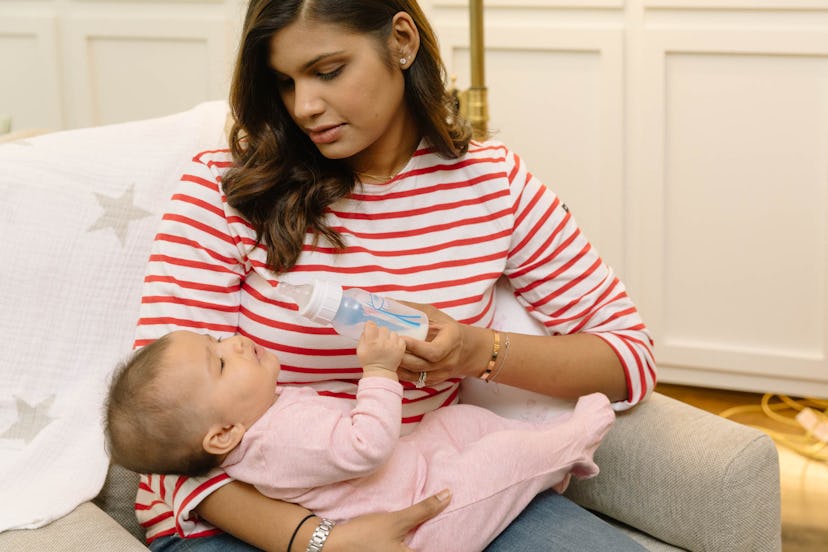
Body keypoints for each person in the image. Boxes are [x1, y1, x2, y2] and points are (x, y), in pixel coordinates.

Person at [131, 0, 657, 550]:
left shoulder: (492, 185)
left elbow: (629, 356)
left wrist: (476, 352)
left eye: (328, 71)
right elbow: (165, 430)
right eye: (284, 83)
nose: (305, 106)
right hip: (246, 519)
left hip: (436, 487)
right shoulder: (224, 192)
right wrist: (317, 540)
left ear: (401, 40)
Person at [106, 323, 615, 552]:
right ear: (221, 435)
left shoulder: (260, 422)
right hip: (421, 515)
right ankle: (573, 442)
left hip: (412, 465)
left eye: (217, 339)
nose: (233, 341)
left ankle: (545, 471)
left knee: (457, 425)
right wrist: (377, 370)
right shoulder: (281, 439)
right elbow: (364, 445)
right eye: (220, 360)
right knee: (501, 461)